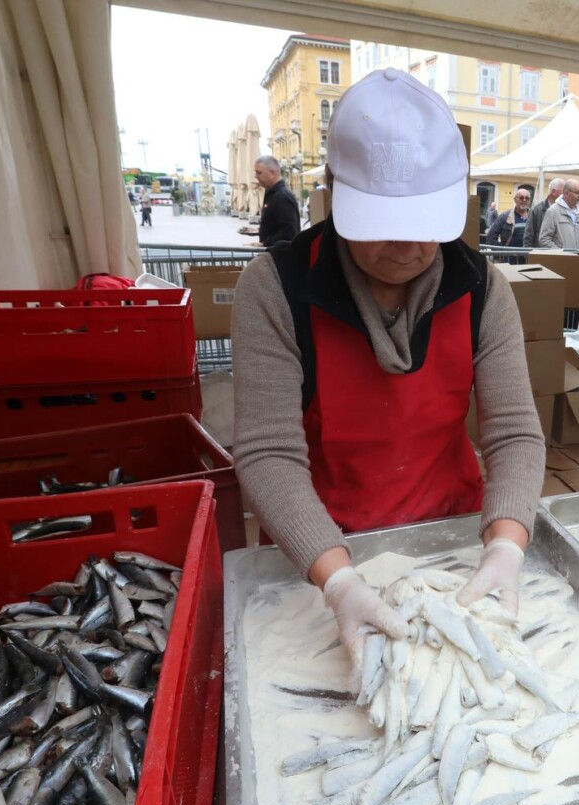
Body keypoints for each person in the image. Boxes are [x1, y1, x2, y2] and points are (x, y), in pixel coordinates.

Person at [231, 68, 546, 666]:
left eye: (422, 225)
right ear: (332, 186)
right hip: (320, 553)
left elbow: (513, 431)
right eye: (380, 225)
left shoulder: (482, 289)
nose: (403, 247)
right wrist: (339, 580)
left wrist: (506, 543)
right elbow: (268, 452)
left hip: (449, 541)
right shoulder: (275, 289)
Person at [255, 155, 302, 247]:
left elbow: (289, 231)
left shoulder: (281, 197)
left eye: (259, 172)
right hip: (276, 254)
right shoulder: (273, 194)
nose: (255, 176)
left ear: (272, 173)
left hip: (281, 256)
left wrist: (265, 243)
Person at [538, 179, 579, 249]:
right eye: (577, 193)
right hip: (561, 259)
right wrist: (560, 254)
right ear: (566, 193)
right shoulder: (553, 211)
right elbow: (544, 239)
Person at [524, 179, 564, 247]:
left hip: (560, 253)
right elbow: (529, 235)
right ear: (553, 192)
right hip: (540, 253)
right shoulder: (537, 210)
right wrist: (528, 255)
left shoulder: (564, 209)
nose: (565, 195)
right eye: (563, 192)